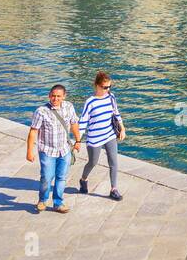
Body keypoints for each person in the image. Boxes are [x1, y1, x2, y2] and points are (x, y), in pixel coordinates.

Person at [26, 85, 80, 213]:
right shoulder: (41, 111)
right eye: (53, 96)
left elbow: (74, 123)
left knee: (61, 177)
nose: (55, 98)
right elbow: (33, 131)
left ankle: (58, 202)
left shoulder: (69, 107)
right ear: (49, 95)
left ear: (64, 97)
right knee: (47, 176)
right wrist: (29, 151)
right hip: (47, 150)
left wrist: (78, 140)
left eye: (58, 96)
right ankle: (43, 200)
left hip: (65, 149)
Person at [78, 71, 126, 201]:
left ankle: (113, 189)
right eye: (105, 87)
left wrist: (122, 128)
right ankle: (83, 179)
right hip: (94, 138)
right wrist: (78, 140)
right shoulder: (90, 102)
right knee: (92, 162)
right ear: (97, 86)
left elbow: (116, 113)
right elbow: (83, 121)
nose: (107, 89)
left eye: (109, 87)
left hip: (110, 134)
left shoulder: (111, 97)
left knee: (114, 162)